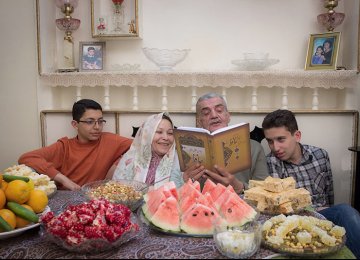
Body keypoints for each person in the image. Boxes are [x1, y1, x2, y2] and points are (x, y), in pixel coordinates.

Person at [262, 109, 360, 258]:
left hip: (323, 216)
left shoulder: (321, 155)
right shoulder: (271, 162)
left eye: (281, 139)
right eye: (270, 141)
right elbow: (280, 207)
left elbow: (329, 192)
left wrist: (326, 212)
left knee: (346, 212)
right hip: (294, 220)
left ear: (297, 136)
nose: (275, 147)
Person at [18, 99, 132, 191]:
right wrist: (64, 180)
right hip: (65, 197)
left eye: (100, 121)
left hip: (97, 198)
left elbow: (141, 145)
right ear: (75, 124)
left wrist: (118, 162)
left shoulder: (111, 140)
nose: (97, 127)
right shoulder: (64, 146)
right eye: (90, 121)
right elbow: (26, 158)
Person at [171, 92, 269, 193]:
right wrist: (185, 181)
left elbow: (265, 191)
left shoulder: (254, 147)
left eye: (219, 110)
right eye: (206, 113)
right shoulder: (184, 150)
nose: (214, 115)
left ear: (228, 116)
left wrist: (239, 187)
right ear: (199, 122)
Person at [109, 112, 177, 188]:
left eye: (170, 133)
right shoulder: (130, 159)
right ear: (147, 135)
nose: (166, 137)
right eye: (159, 132)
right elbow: (116, 191)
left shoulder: (180, 162)